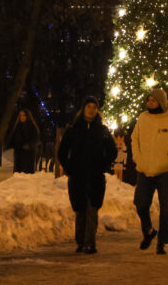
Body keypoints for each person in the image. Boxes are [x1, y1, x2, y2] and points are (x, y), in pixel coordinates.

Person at [57, 96, 117, 254]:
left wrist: (103, 165)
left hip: (95, 176)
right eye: (89, 106)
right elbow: (62, 152)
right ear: (83, 109)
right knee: (80, 209)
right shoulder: (73, 129)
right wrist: (69, 168)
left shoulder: (102, 130)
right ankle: (80, 241)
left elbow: (112, 151)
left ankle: (90, 242)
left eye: (94, 107)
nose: (91, 110)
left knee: (92, 208)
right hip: (78, 176)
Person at [131, 87, 168, 255]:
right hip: (145, 169)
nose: (150, 103)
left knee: (166, 208)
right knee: (140, 204)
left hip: (165, 171)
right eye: (148, 100)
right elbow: (135, 139)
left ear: (161, 102)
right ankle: (148, 231)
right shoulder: (143, 118)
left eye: (153, 100)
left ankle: (162, 242)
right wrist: (138, 158)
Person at [9, 108, 40, 174]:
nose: (22, 117)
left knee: (26, 174)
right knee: (18, 173)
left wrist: (28, 145)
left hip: (28, 154)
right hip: (18, 153)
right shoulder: (17, 126)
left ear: (27, 116)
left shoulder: (32, 126)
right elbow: (13, 138)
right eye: (21, 115)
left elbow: (35, 139)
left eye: (24, 115)